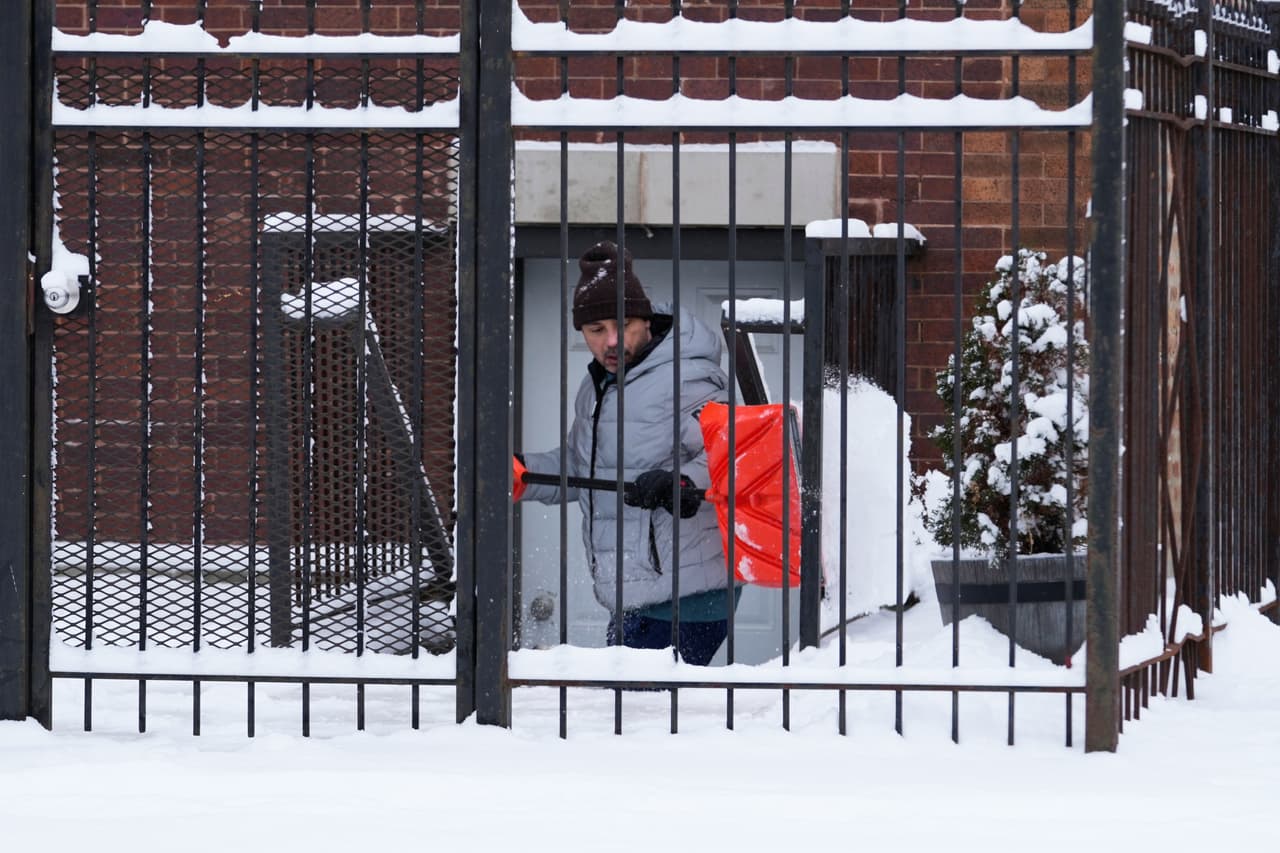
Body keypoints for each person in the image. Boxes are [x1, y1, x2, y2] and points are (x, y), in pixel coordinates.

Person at [515, 240, 738, 666]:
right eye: (597, 330)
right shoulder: (600, 386)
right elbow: (582, 466)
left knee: (638, 715)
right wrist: (524, 473)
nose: (612, 341)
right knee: (634, 718)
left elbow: (729, 452)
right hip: (637, 592)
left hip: (688, 593)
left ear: (646, 320)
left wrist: (684, 482)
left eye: (623, 325)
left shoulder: (689, 374)